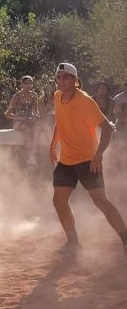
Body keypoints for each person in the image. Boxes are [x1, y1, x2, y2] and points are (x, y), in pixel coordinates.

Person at [49, 63, 127, 254]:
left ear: (75, 81)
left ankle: (125, 239)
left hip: (87, 160)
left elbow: (107, 128)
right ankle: (73, 242)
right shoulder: (57, 96)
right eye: (59, 77)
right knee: (59, 201)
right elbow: (59, 122)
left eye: (66, 77)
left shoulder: (85, 101)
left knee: (101, 201)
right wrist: (52, 145)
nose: (61, 81)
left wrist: (98, 156)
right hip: (66, 160)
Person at [5, 76, 40, 165]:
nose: (28, 85)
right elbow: (8, 114)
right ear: (21, 84)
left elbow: (36, 111)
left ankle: (33, 155)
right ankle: (29, 156)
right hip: (19, 121)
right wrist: (21, 118)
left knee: (37, 129)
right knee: (27, 131)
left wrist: (35, 117)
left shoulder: (34, 95)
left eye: (30, 83)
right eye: (26, 83)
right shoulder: (16, 96)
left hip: (30, 120)